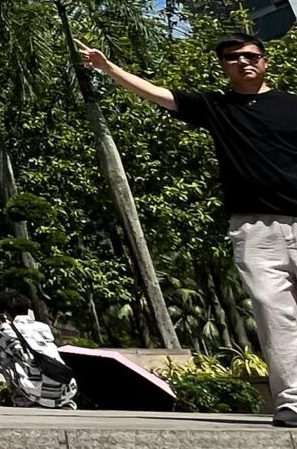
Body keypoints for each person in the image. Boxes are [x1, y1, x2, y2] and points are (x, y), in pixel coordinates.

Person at [80, 36, 297, 428]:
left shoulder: (291, 105)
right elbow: (159, 95)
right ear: (224, 67)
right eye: (232, 58)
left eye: (250, 56)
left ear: (265, 61)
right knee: (273, 315)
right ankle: (292, 402)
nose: (242, 62)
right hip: (254, 230)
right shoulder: (217, 107)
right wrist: (108, 68)